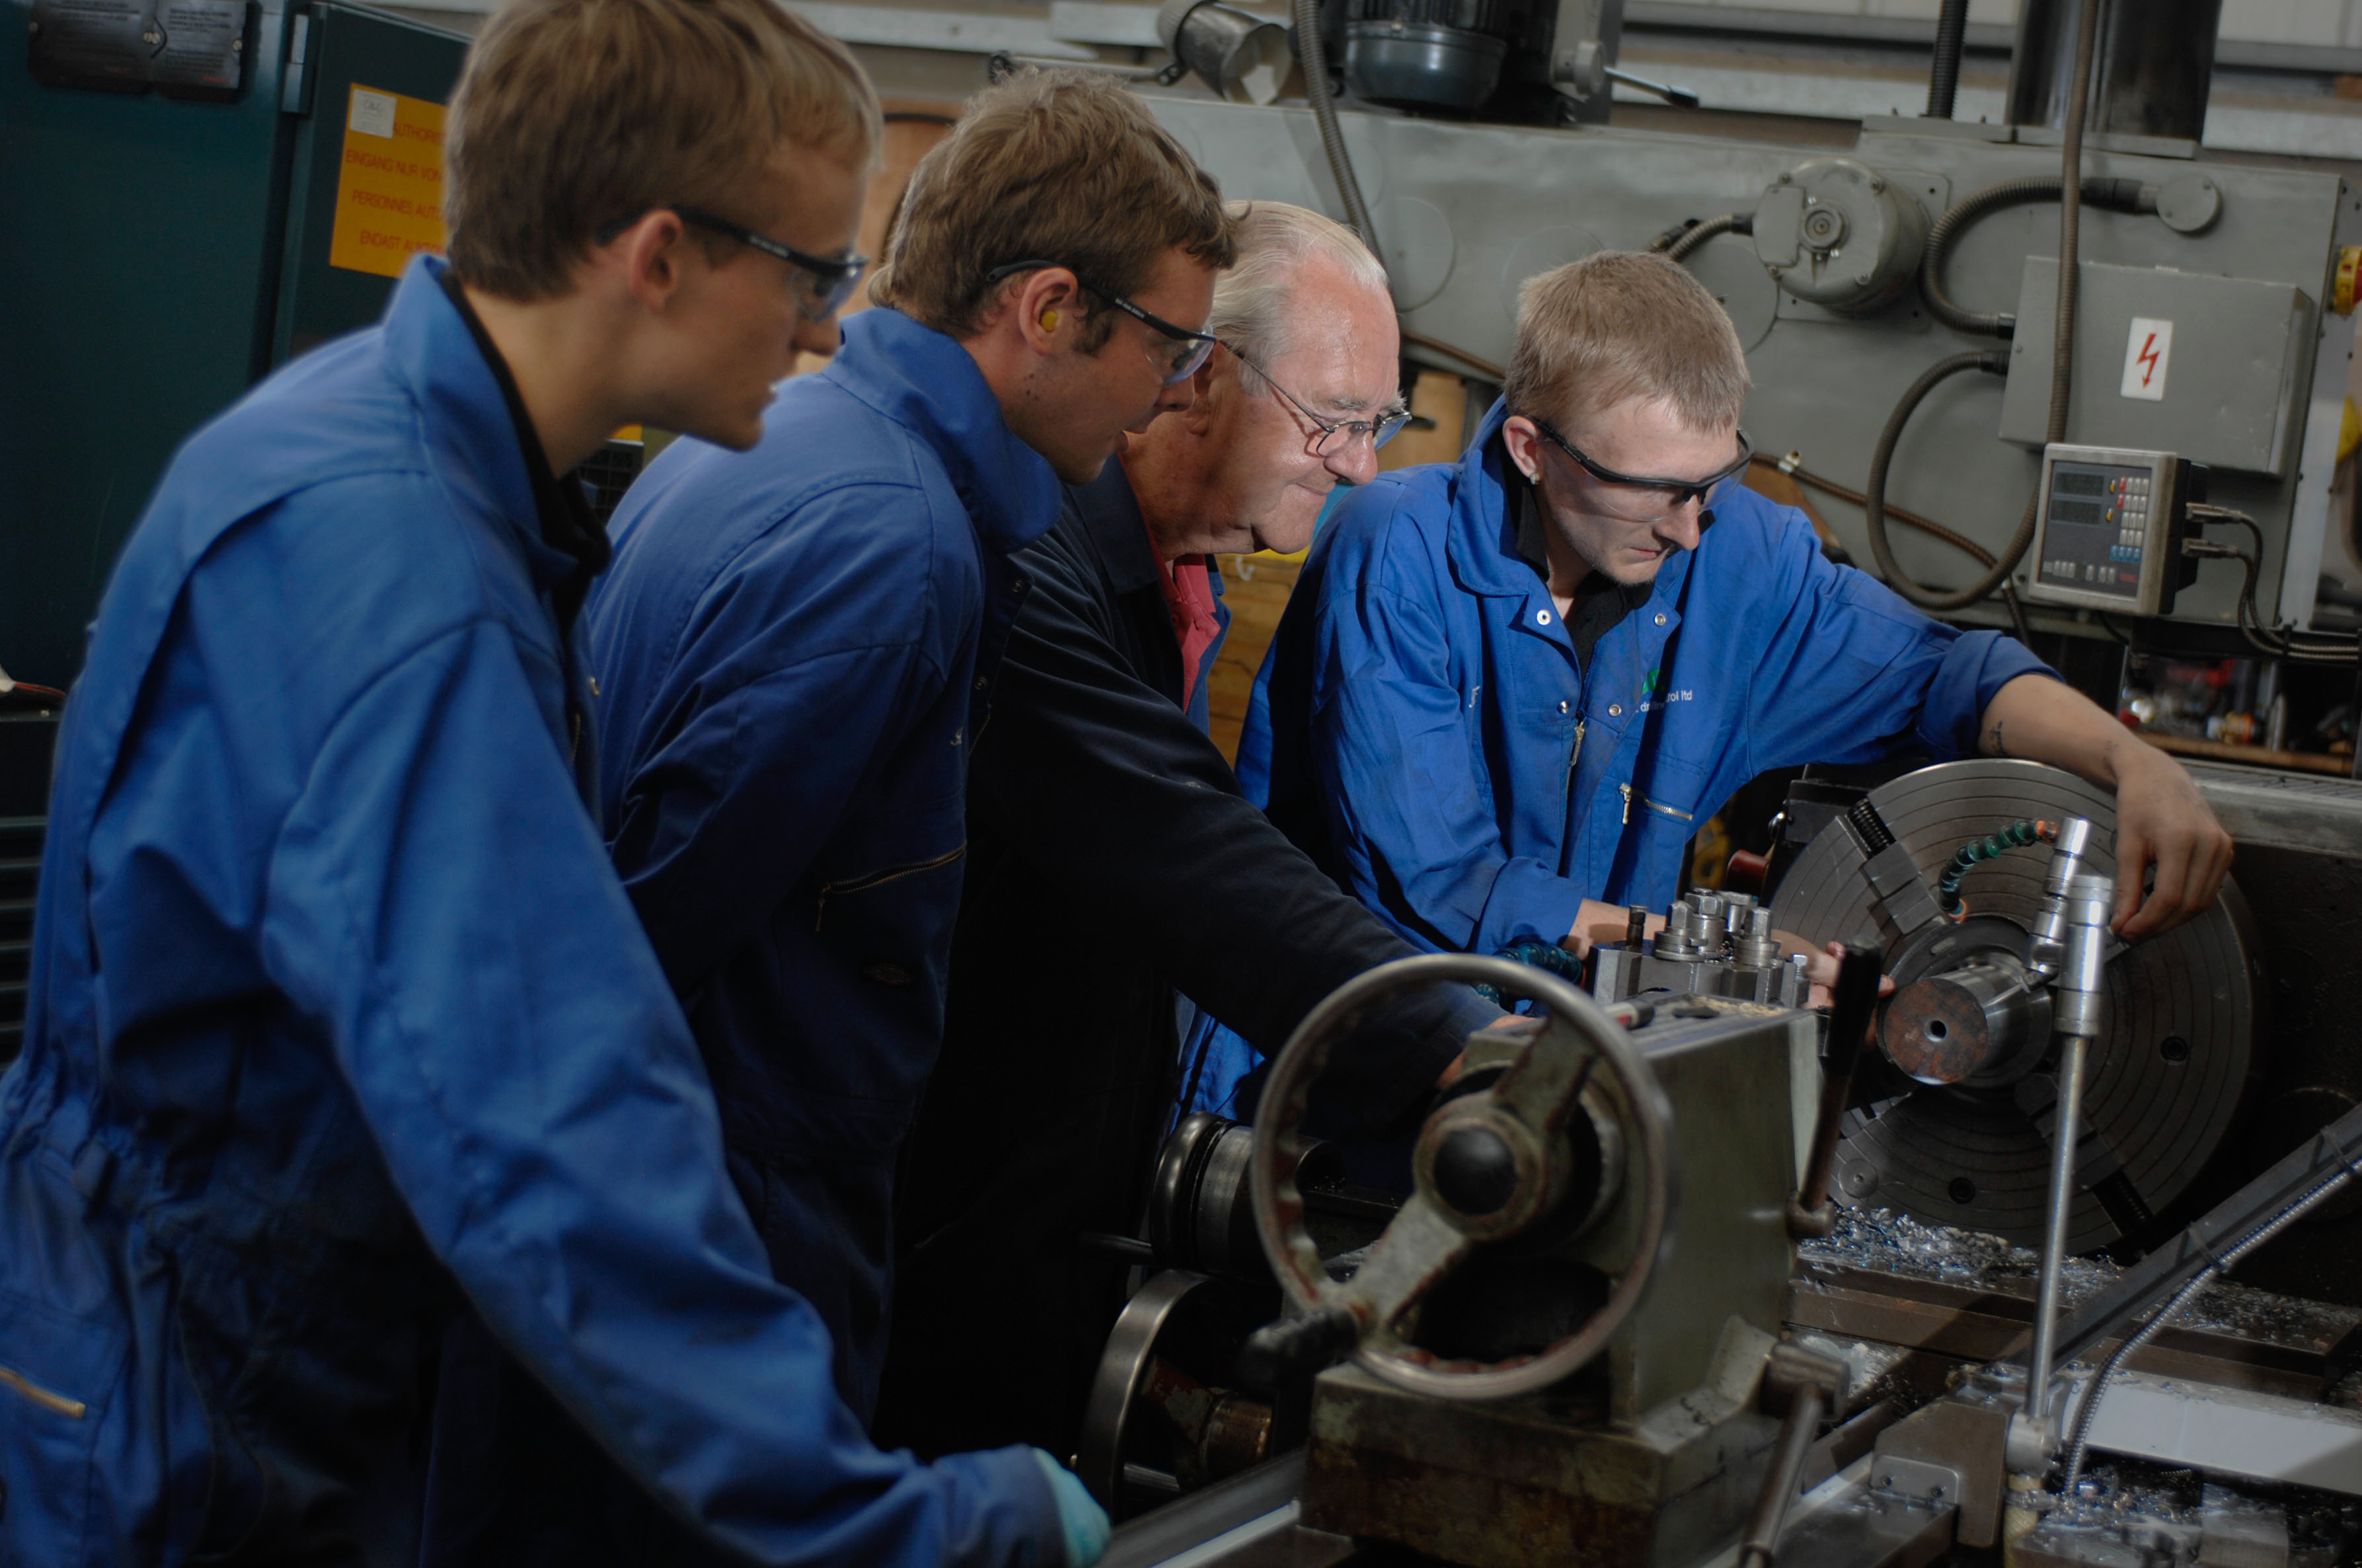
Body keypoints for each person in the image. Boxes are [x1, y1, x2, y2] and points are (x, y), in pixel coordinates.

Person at [0, 2, 1102, 1564]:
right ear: (658, 256)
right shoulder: (405, 576)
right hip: (212, 1408)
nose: (823, 331)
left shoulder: (351, 440)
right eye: (808, 272)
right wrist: (915, 1526)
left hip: (176, 1335)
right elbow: (551, 1131)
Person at [416, 69, 1230, 1565]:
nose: (1173, 391)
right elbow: (645, 952)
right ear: (1049, 310)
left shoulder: (777, 439)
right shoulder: (894, 545)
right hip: (713, 1232)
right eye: (1167, 345)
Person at [876, 202, 1503, 1464]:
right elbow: (1184, 853)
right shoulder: (1027, 561)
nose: (1358, 467)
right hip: (925, 1222)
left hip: (1045, 1206)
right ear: (1200, 376)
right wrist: (1460, 1047)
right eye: (1332, 419)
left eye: (1379, 424)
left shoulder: (1172, 580)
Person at [1245, 250, 2233, 976]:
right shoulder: (1397, 550)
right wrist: (1723, 959)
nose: (1688, 529)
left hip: (1580, 1058)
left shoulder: (1742, 558)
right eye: (1653, 490)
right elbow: (1442, 887)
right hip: (1352, 1059)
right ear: (1531, 451)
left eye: (1711, 482)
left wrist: (2131, 762)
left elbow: (1946, 677)